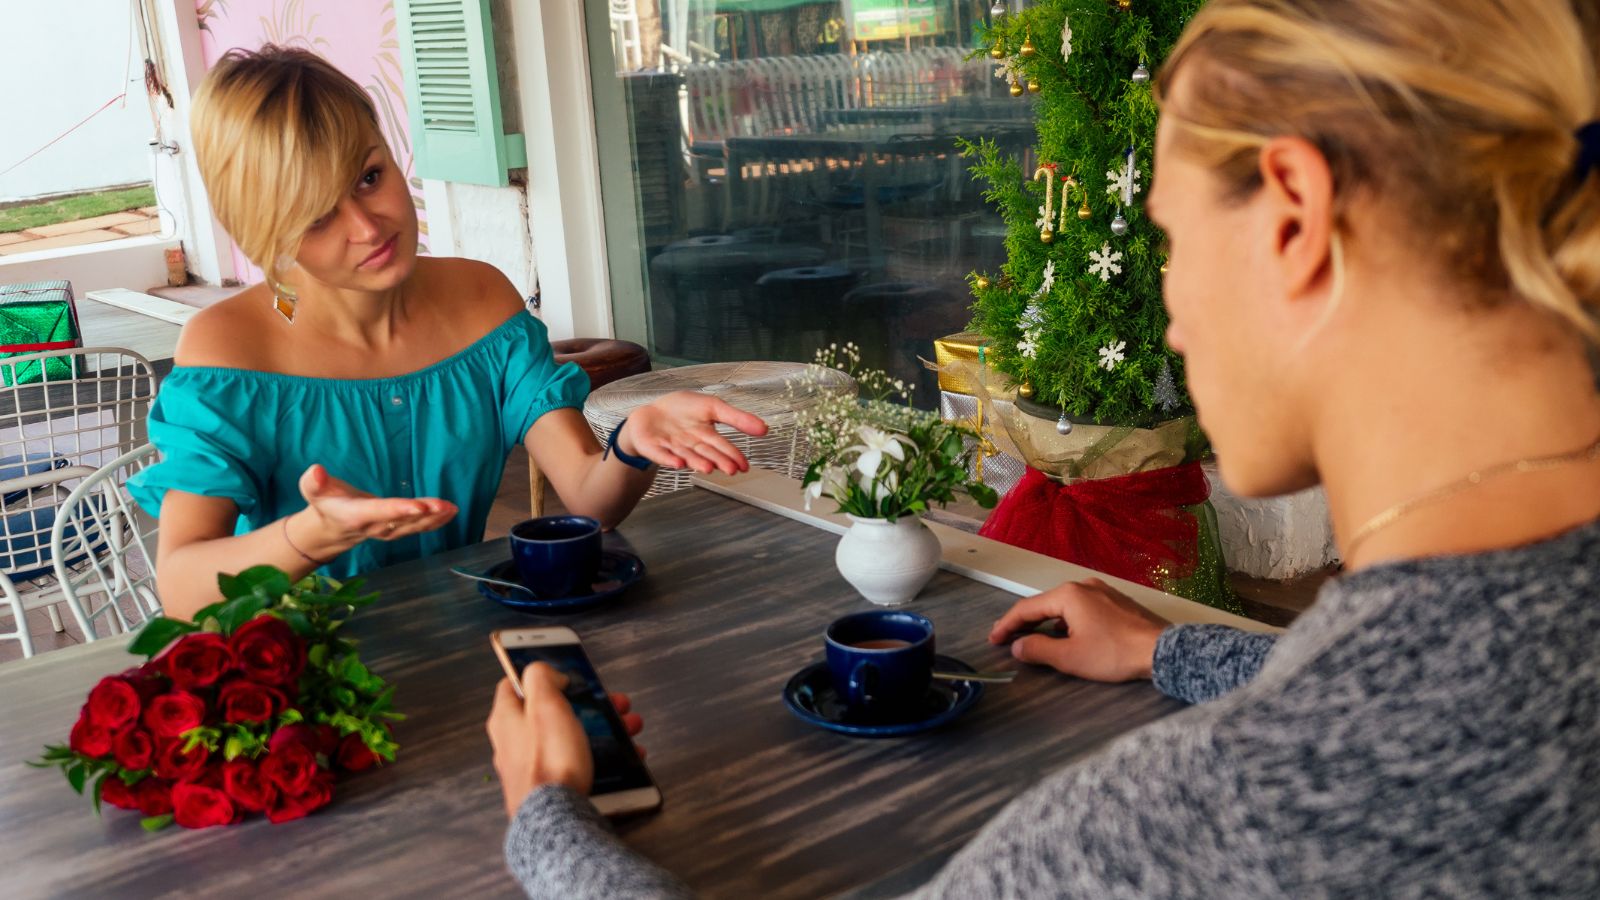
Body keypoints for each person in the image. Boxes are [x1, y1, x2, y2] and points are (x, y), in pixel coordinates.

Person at [485, 0, 1600, 895]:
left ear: (1292, 216)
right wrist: (1178, 652)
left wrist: (551, 827)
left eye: (1168, 236)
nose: (1170, 312)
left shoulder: (1193, 826)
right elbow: (1433, 696)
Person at [129, 46, 767, 620]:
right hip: (308, 680)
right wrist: (313, 534)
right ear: (261, 228)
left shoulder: (479, 298)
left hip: (462, 640)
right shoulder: (230, 348)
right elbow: (184, 592)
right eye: (318, 215)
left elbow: (587, 500)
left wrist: (630, 444)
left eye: (369, 176)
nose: (368, 225)